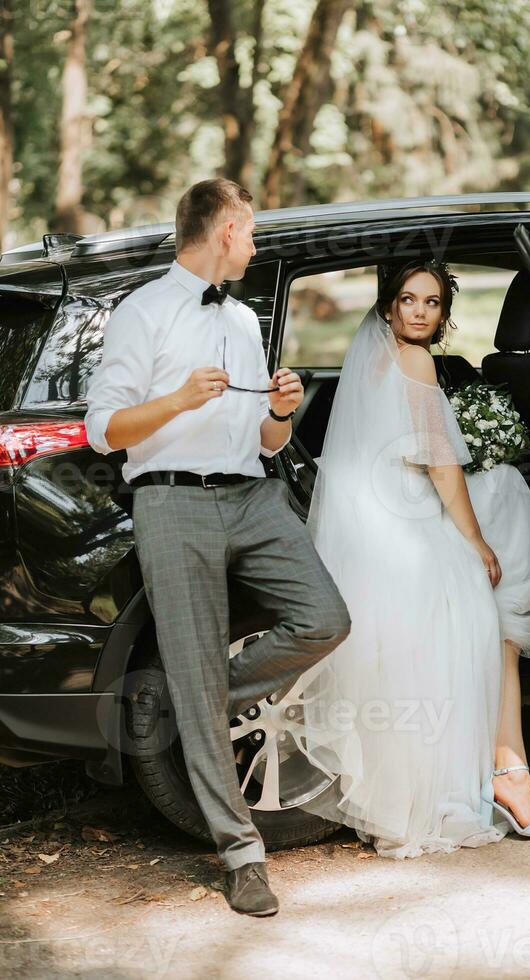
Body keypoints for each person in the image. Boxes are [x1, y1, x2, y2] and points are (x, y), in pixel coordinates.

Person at [83, 177, 352, 914]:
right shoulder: (142, 311)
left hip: (253, 495)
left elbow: (264, 440)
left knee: (325, 618)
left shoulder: (241, 315)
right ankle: (241, 854)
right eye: (252, 231)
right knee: (195, 666)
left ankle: (192, 704)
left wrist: (280, 413)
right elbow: (101, 429)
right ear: (224, 227)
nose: (256, 245)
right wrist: (177, 400)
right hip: (171, 502)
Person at [294, 258, 530, 859]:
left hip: (372, 531)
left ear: (443, 314)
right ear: (389, 306)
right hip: (410, 526)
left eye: (432, 302)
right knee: (493, 608)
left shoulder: (371, 359)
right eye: (409, 300)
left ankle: (459, 783)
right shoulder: (414, 360)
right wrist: (476, 543)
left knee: (453, 642)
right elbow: (441, 463)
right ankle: (506, 773)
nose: (419, 311)